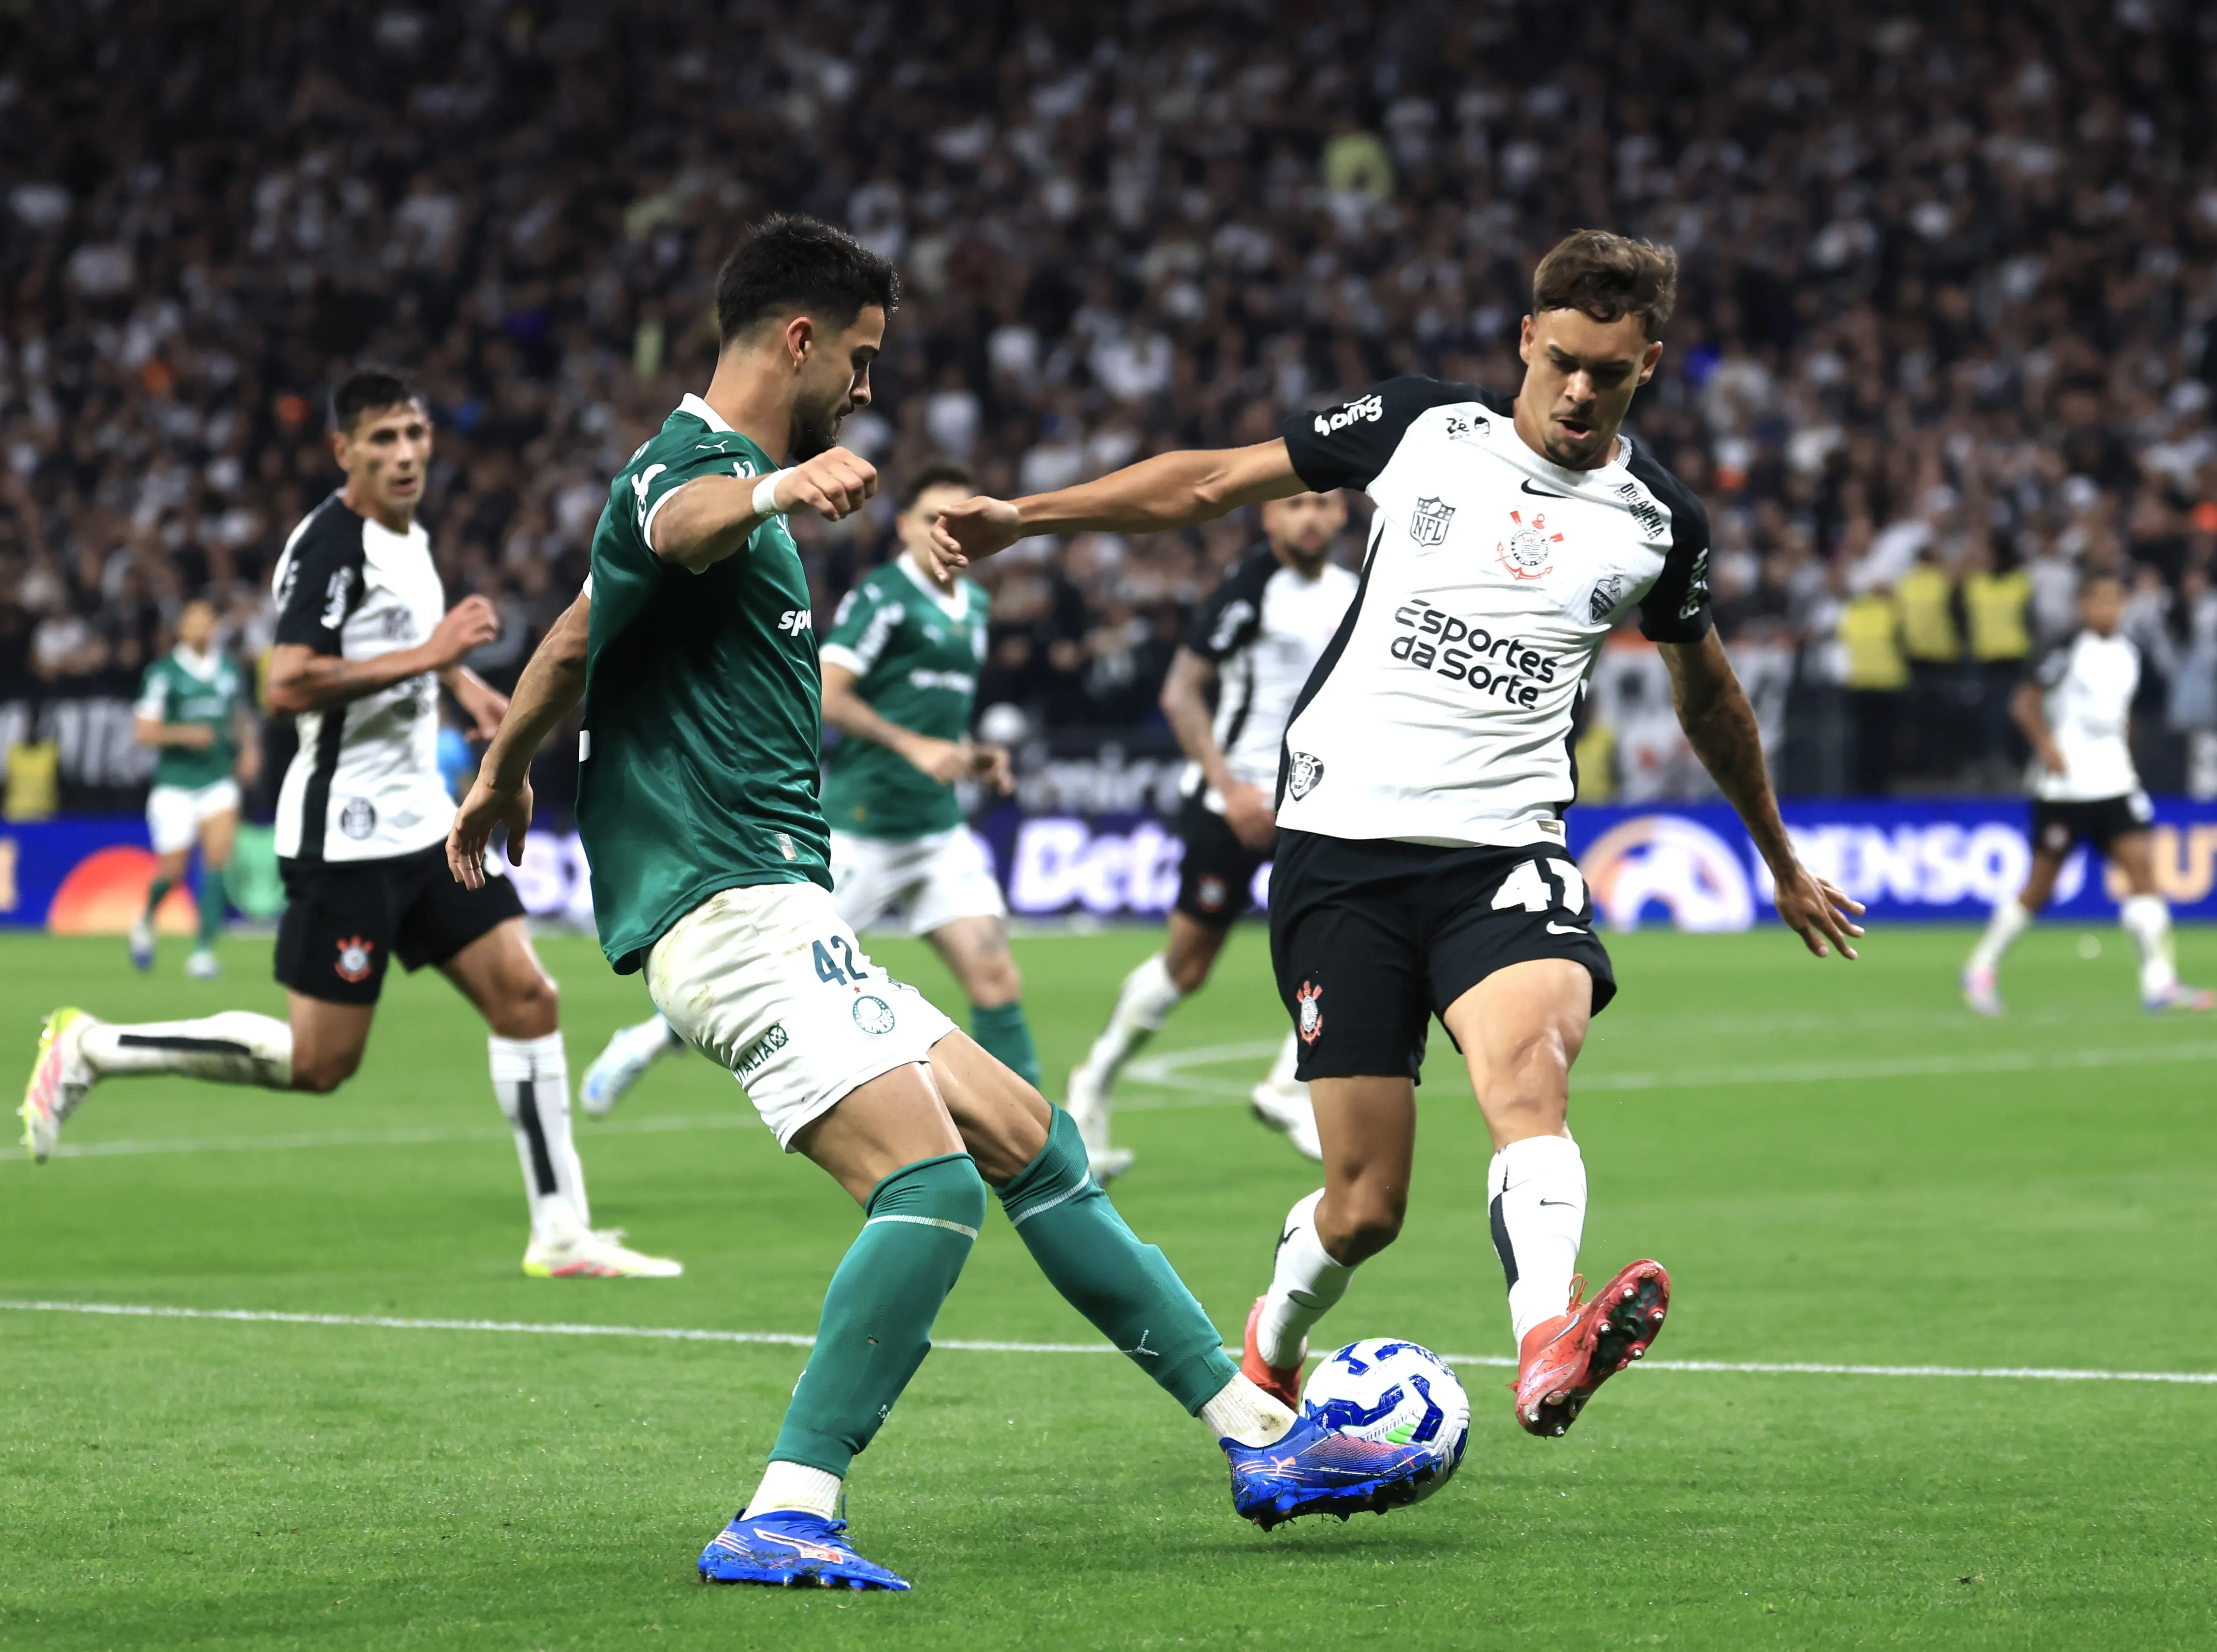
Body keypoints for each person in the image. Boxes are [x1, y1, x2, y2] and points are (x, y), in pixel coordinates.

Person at [446, 215, 1441, 1592]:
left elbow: (568, 637)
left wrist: (501, 771)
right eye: (856, 359)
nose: (865, 387)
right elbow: (667, 526)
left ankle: (1258, 1430)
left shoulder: (725, 479)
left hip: (789, 910)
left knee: (1028, 1140)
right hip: (728, 913)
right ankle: (789, 1503)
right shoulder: (690, 468)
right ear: (796, 340)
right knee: (923, 1184)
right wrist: (780, 492)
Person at [935, 230, 1865, 1440]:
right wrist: (1032, 516)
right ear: (1527, 340)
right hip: (1341, 852)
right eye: (1565, 361)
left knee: (1527, 1079)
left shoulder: (1656, 522)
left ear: (1650, 366)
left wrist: (1776, 855)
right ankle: (1269, 1346)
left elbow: (1710, 696)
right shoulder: (1424, 427)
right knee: (1366, 1201)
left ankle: (1546, 1338)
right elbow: (1213, 479)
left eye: (1612, 373)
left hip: (1504, 852)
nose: (1581, 391)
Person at [21, 369, 678, 1281]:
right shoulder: (331, 544)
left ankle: (561, 1229)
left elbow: (401, 648)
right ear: (344, 451)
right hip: (346, 837)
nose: (406, 453)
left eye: (414, 433)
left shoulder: (407, 537)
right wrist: (436, 652)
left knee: (528, 998)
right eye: (383, 440)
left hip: (424, 825)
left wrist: (463, 684)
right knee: (322, 1060)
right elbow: (287, 682)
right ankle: (96, 1043)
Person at [580, 465, 1040, 1114]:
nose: (949, 531)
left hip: (936, 828)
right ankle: (650, 1038)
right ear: (904, 528)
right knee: (780, 977)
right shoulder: (883, 598)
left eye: (961, 517)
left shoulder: (976, 605)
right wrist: (913, 747)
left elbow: (934, 716)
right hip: (862, 825)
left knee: (995, 976)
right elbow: (830, 691)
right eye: (934, 517)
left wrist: (970, 759)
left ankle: (1037, 1140)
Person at [1067, 488, 1356, 1178]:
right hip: (1236, 801)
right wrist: (1232, 791)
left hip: (1315, 802)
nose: (1309, 518)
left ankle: (1287, 1085)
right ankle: (1093, 1081)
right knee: (1187, 965)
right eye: (1294, 506)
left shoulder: (1357, 589)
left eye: (1321, 504)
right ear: (1269, 516)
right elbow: (1180, 691)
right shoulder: (1248, 589)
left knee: (1354, 938)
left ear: (1343, 512)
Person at [1962, 570, 2217, 1015]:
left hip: (2114, 784)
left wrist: (2127, 761)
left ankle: (2159, 982)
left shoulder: (2128, 654)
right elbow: (2024, 702)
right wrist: (2046, 747)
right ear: (2083, 606)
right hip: (2064, 789)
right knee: (2039, 889)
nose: (2109, 609)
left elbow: (2122, 718)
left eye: (2116, 601)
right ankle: (1981, 967)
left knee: (2143, 874)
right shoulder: (2065, 650)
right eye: (2100, 601)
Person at [129, 598, 259, 978]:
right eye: (194, 621)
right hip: (175, 784)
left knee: (218, 857)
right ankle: (146, 919)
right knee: (174, 868)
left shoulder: (230, 670)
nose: (202, 627)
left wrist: (249, 749)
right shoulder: (163, 673)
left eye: (208, 620)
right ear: (181, 629)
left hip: (218, 780)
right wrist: (185, 734)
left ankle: (203, 951)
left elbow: (240, 716)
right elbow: (144, 731)